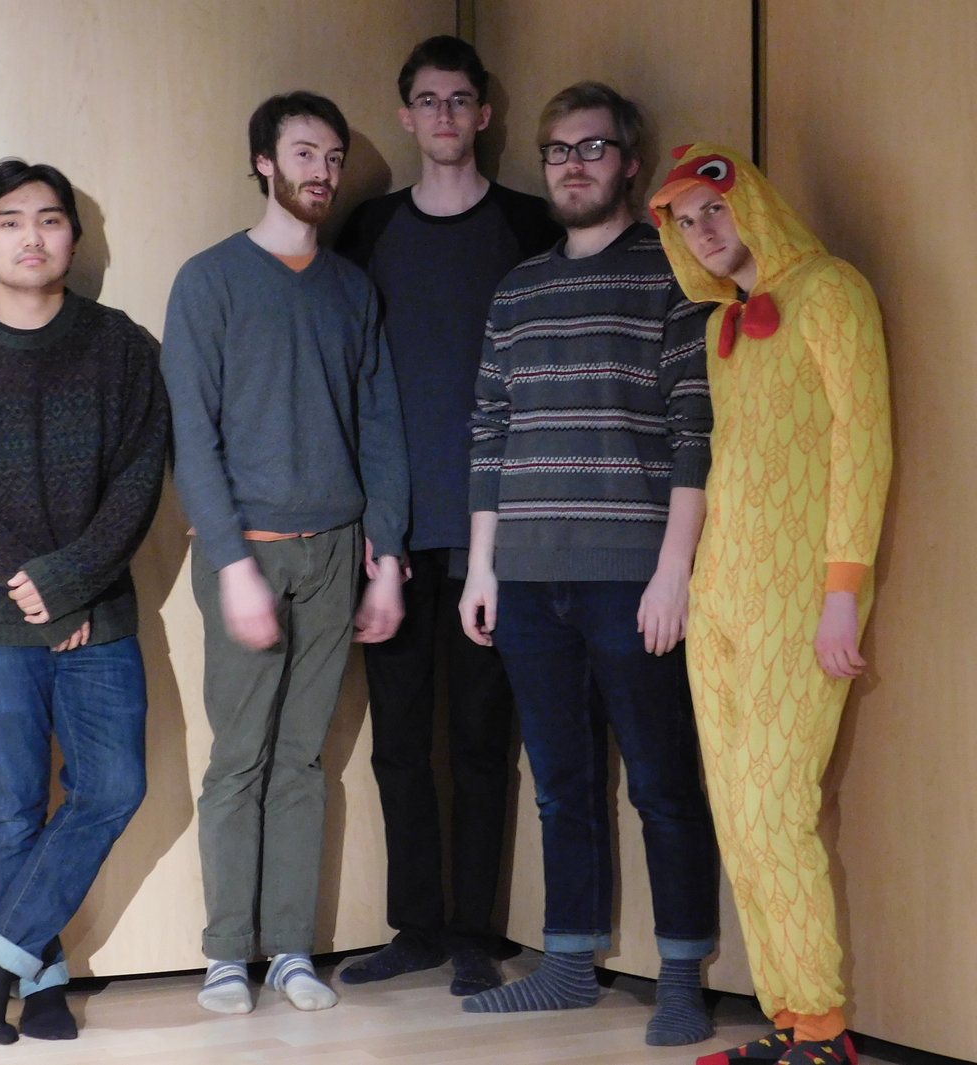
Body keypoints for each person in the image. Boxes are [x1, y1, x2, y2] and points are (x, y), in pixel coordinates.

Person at [458, 82, 720, 1046]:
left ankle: (683, 977)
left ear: (630, 164)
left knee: (662, 782)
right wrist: (482, 568)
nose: (573, 164)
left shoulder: (672, 274)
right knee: (561, 782)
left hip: (632, 577)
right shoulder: (518, 289)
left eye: (593, 148)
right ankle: (568, 965)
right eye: (559, 150)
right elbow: (489, 432)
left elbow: (696, 431)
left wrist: (674, 571)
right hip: (527, 577)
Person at [0, 159, 169, 1045]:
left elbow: (139, 479)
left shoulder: (122, 346)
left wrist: (73, 578)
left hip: (99, 609)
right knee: (11, 803)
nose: (31, 236)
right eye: (9, 221)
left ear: (73, 240)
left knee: (113, 785)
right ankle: (37, 980)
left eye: (49, 219)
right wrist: (36, 582)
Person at [161, 91, 409, 1016]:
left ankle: (291, 949)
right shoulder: (209, 280)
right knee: (239, 759)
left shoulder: (351, 289)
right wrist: (231, 564)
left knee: (304, 760)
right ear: (264, 161)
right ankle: (228, 953)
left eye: (333, 156)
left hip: (338, 549)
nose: (323, 171)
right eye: (304, 152)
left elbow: (381, 428)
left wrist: (388, 557)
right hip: (248, 553)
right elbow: (192, 434)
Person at [649, 143, 892, 1065]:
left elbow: (864, 449)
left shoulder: (833, 291)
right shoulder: (724, 327)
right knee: (738, 817)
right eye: (684, 221)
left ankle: (825, 1029)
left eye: (714, 208)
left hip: (798, 601)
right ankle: (788, 1018)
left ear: (751, 203)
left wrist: (842, 596)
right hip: (721, 600)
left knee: (776, 808)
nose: (703, 230)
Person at [334, 35, 559, 997]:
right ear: (405, 115)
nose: (443, 116)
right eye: (426, 101)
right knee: (396, 743)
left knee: (478, 740)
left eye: (459, 100)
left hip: (492, 532)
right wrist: (371, 532)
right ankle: (416, 926)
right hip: (392, 531)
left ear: (484, 114)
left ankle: (475, 931)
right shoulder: (370, 228)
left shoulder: (526, 223)